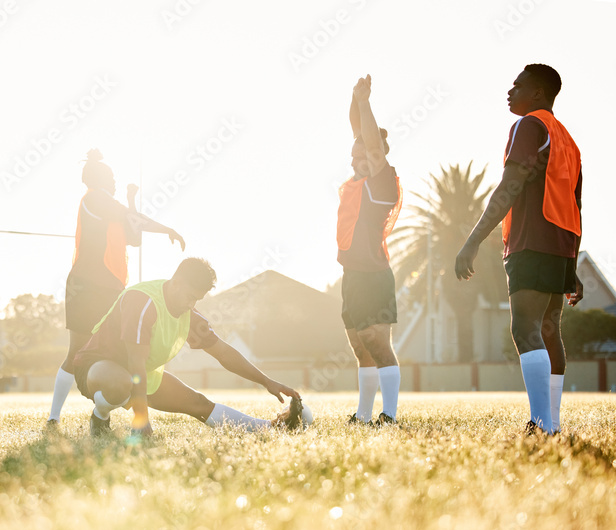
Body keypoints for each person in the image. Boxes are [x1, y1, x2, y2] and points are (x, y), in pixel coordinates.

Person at [455, 64, 583, 434]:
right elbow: (576, 204)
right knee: (548, 329)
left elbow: (510, 185)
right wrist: (571, 263)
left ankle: (542, 424)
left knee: (525, 328)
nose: (510, 92)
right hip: (561, 244)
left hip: (533, 240)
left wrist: (473, 239)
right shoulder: (568, 141)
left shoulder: (530, 126)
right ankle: (552, 422)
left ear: (538, 93)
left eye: (518, 86)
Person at [71, 257, 303, 436]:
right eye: (190, 296)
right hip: (95, 368)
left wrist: (267, 382)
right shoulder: (142, 302)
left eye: (197, 300)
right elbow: (135, 362)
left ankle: (270, 427)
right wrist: (141, 419)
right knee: (120, 382)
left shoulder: (188, 312)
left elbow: (223, 352)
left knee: (198, 403)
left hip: (141, 374)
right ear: (176, 283)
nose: (192, 304)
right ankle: (100, 417)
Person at [47, 149, 186, 426]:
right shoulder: (95, 198)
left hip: (112, 289)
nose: (114, 180)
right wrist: (166, 229)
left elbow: (134, 237)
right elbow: (135, 221)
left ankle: (102, 412)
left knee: (112, 350)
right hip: (86, 286)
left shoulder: (111, 207)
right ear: (99, 178)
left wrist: (131, 199)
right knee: (76, 350)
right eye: (111, 176)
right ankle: (54, 416)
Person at [339, 75, 403, 426]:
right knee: (359, 347)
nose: (355, 158)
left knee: (376, 342)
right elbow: (358, 132)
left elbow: (372, 146)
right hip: (351, 276)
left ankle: (389, 415)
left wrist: (365, 104)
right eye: (353, 153)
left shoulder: (383, 180)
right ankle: (363, 415)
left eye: (361, 153)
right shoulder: (357, 181)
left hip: (375, 276)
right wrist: (354, 99)